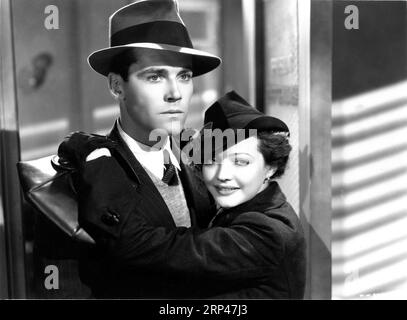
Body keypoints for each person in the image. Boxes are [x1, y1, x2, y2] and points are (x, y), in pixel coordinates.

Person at [60, 91, 307, 299]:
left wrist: (95, 156)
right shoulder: (246, 206)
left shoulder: (268, 232)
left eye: (241, 162)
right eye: (211, 161)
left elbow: (137, 243)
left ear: (271, 167)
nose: (222, 175)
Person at [55, 0, 221, 298]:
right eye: (155, 76)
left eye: (183, 76)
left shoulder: (199, 154)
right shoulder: (93, 170)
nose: (175, 94)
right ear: (117, 86)